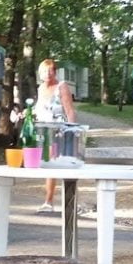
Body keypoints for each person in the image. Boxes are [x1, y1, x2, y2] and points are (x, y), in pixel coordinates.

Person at [34, 58, 76, 213]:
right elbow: (39, 108)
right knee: (47, 164)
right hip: (43, 130)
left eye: (51, 70)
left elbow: (70, 110)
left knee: (58, 164)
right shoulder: (40, 88)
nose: (48, 74)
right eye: (44, 71)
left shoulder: (62, 86)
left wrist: (71, 131)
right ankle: (50, 201)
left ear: (55, 72)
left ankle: (61, 201)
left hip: (59, 130)